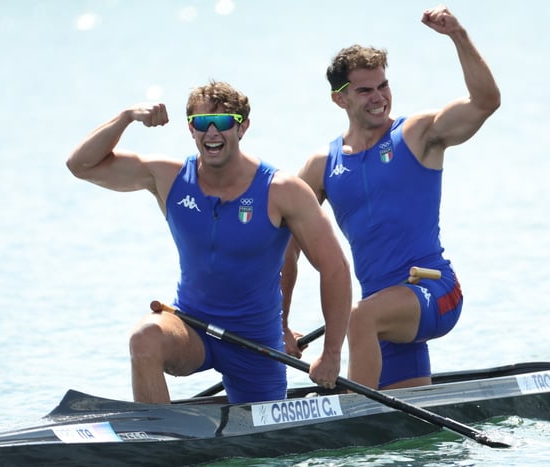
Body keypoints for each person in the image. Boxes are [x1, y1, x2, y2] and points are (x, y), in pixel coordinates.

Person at [66, 81, 351, 404]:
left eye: (224, 122)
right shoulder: (168, 177)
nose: (212, 132)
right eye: (202, 123)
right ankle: (159, 440)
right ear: (191, 129)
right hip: (191, 327)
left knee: (263, 440)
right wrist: (127, 116)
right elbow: (80, 165)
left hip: (254, 342)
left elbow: (335, 269)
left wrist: (331, 354)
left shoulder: (283, 190)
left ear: (242, 127)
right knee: (144, 338)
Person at [282, 5, 500, 390]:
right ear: (340, 99)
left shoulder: (418, 135)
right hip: (384, 315)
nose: (379, 97)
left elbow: (485, 102)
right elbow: (283, 243)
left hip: (435, 292)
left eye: (383, 85)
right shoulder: (321, 167)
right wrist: (279, 323)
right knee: (408, 436)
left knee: (359, 320)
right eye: (365, 90)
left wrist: (458, 36)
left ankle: (351, 419)